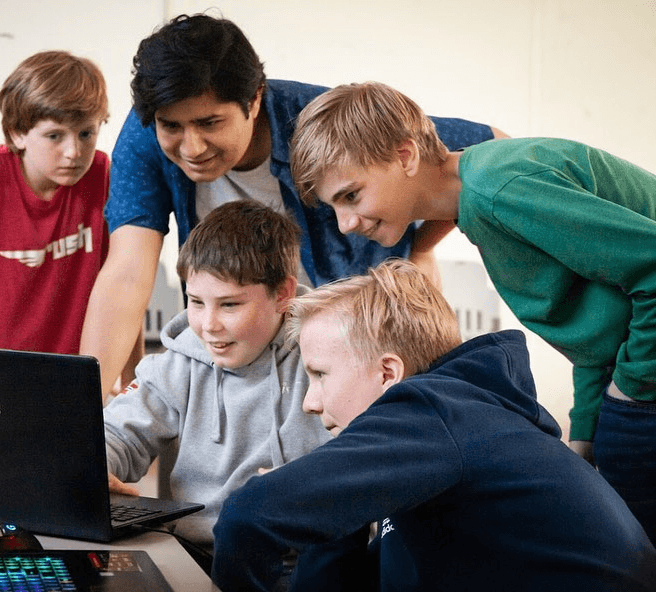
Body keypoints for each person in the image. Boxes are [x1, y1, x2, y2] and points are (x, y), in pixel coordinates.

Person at [288, 80, 656, 543]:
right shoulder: (478, 207)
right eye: (333, 208)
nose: (345, 224)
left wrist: (631, 390)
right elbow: (599, 325)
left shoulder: (500, 188)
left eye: (351, 196)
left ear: (405, 156)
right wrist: (584, 431)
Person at [79, 13, 508, 395]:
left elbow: (490, 150)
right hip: (244, 337)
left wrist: (422, 246)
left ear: (254, 99)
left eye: (210, 123)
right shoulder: (145, 136)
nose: (191, 146)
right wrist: (84, 412)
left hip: (357, 334)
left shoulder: (316, 120)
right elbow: (127, 274)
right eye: (172, 126)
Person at [211, 260, 656, 592]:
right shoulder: (446, 436)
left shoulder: (433, 410)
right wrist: (329, 508)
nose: (310, 402)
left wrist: (294, 497)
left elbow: (247, 517)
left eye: (320, 374)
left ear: (388, 374)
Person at [103, 200, 332, 571]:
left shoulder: (326, 356)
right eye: (196, 302)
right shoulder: (181, 361)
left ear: (283, 294)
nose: (208, 325)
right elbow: (117, 432)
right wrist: (97, 464)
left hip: (302, 564)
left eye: (229, 305)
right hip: (195, 556)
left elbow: (359, 455)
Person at [0, 51, 139, 374]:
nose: (74, 151)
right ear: (18, 133)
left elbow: (123, 285)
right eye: (54, 136)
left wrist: (133, 383)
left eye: (86, 133)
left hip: (63, 375)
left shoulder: (103, 174)